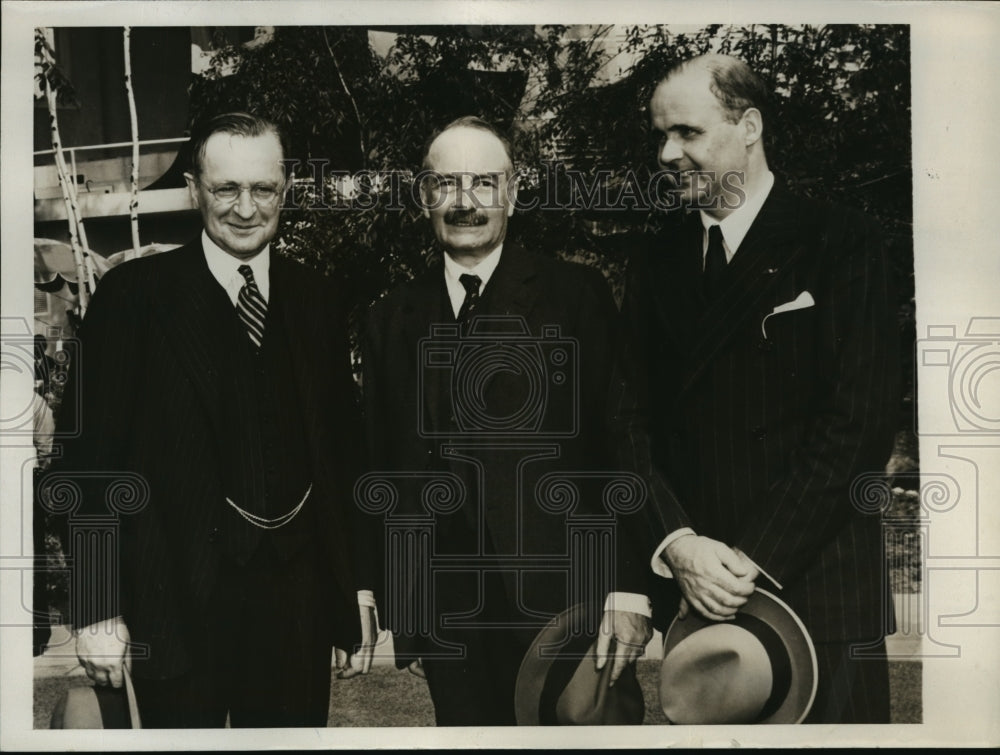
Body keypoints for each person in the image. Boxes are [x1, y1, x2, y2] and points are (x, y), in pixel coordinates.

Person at [53, 112, 377, 728]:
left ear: (285, 191)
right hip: (169, 605)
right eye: (227, 189)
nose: (246, 209)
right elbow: (85, 463)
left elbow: (341, 455)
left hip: (295, 611)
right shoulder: (133, 298)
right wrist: (97, 608)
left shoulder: (316, 299)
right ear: (196, 190)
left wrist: (354, 586)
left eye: (264, 190)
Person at [619, 54, 899, 723]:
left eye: (686, 132)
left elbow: (858, 423)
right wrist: (679, 545)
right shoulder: (654, 261)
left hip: (819, 593)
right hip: (702, 608)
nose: (666, 152)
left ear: (749, 126)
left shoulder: (844, 242)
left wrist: (749, 561)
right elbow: (624, 421)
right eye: (661, 136)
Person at [360, 116, 652, 725]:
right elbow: (385, 465)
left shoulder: (576, 296)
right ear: (423, 197)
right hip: (450, 628)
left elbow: (621, 442)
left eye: (485, 183)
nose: (466, 203)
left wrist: (628, 589)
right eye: (447, 184)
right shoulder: (391, 318)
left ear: (513, 193)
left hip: (571, 611)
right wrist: (407, 613)